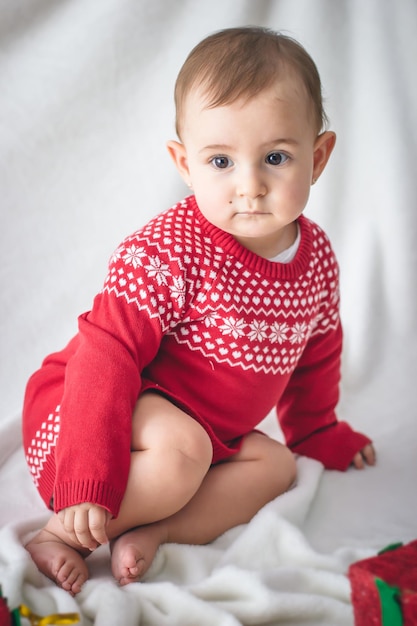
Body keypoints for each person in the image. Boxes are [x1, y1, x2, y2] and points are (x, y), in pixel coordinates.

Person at [22, 26, 376, 596]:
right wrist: (88, 475)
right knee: (181, 453)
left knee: (277, 467)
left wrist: (317, 430)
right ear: (184, 163)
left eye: (276, 158)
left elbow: (317, 352)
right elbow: (105, 355)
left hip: (203, 435)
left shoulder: (316, 261)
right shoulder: (169, 251)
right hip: (92, 414)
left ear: (318, 157)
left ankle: (158, 530)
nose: (250, 186)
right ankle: (61, 533)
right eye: (221, 162)